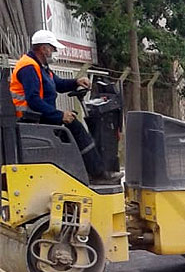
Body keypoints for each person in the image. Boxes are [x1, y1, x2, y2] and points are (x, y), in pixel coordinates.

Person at [10, 30, 112, 181]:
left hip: (39, 115)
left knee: (73, 123)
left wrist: (76, 82)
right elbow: (34, 100)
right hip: (30, 118)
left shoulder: (41, 67)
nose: (54, 52)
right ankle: (97, 173)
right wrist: (60, 115)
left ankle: (91, 171)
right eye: (53, 48)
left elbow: (58, 84)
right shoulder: (29, 67)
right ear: (43, 48)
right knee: (75, 127)